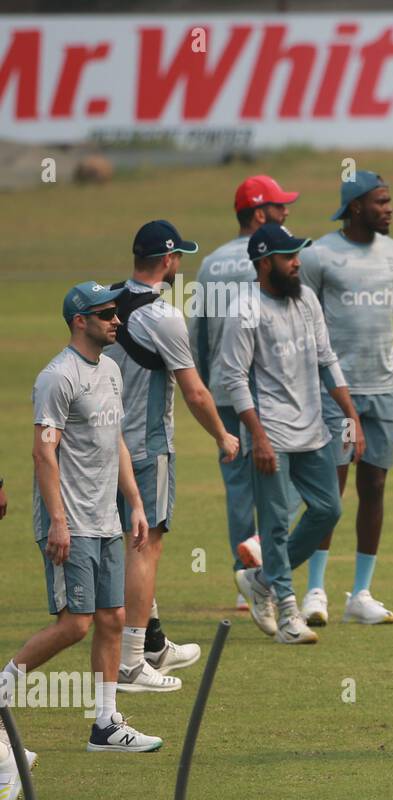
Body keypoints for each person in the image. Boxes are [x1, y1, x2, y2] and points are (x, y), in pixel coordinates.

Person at [0, 282, 162, 753]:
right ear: (80, 321)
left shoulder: (111, 370)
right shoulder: (58, 377)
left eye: (116, 312)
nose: (117, 320)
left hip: (106, 519)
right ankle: (4, 685)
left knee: (113, 617)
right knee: (76, 624)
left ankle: (106, 724)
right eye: (107, 313)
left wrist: (133, 503)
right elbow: (42, 454)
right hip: (69, 521)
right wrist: (57, 521)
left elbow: (117, 442)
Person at [297, 170, 393, 627]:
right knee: (329, 492)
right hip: (335, 392)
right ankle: (314, 590)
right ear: (356, 206)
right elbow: (302, 326)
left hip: (384, 389)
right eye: (381, 202)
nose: (390, 209)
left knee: (374, 486)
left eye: (390, 201)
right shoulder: (320, 255)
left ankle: (360, 593)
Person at [104, 220, 238, 693]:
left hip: (101, 444)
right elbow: (196, 392)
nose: (181, 264)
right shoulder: (163, 315)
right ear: (168, 261)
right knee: (146, 542)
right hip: (145, 446)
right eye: (179, 256)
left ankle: (154, 642)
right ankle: (132, 661)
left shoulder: (107, 300)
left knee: (125, 540)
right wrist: (223, 435)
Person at [222, 223, 364, 645]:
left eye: (298, 254)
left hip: (313, 429)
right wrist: (258, 437)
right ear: (265, 263)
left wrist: (351, 415)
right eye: (289, 256)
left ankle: (262, 580)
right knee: (276, 525)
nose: (297, 262)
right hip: (270, 435)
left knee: (328, 511)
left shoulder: (305, 299)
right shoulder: (244, 309)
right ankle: (287, 613)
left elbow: (326, 359)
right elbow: (233, 380)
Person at [191, 175, 301, 605]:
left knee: (238, 487)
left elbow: (198, 333)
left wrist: (202, 383)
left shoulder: (210, 263)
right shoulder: (276, 256)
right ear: (259, 214)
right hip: (270, 391)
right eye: (279, 207)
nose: (286, 212)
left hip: (221, 390)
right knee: (291, 478)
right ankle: (261, 554)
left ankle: (243, 581)